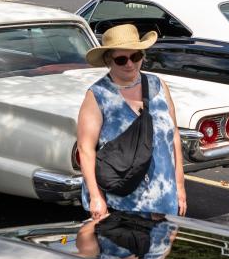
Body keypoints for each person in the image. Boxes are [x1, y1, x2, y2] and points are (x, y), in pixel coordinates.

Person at [76, 24, 187, 222]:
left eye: (135, 57)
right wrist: (96, 197)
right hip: (121, 204)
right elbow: (85, 149)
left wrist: (179, 186)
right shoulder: (98, 95)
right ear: (108, 61)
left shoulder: (158, 86)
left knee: (161, 253)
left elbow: (174, 135)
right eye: (121, 59)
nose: (130, 64)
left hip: (163, 200)